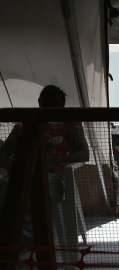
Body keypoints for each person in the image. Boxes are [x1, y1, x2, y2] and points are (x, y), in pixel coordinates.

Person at [0, 85, 90, 250]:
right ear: (39, 101)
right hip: (22, 174)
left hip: (53, 176)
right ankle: (13, 244)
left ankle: (25, 241)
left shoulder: (69, 121)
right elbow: (6, 151)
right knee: (4, 187)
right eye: (43, 95)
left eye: (52, 95)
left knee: (33, 189)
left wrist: (52, 161)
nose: (46, 98)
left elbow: (84, 154)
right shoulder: (27, 122)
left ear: (61, 104)